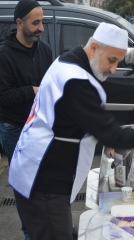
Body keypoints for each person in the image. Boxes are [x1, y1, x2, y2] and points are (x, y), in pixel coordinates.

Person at [8, 22, 134, 240]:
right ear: (94, 48)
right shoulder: (75, 81)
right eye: (111, 60)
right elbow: (109, 133)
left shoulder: (65, 61)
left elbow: (77, 119)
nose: (113, 69)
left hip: (35, 167)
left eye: (118, 62)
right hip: (45, 179)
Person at [0, 0, 52, 239]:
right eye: (36, 23)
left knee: (45, 184)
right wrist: (32, 90)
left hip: (41, 127)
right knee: (24, 188)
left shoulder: (45, 49)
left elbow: (50, 86)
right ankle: (30, 233)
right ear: (19, 23)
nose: (41, 28)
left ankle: (47, 229)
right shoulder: (4, 54)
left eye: (42, 22)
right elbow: (3, 96)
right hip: (15, 130)